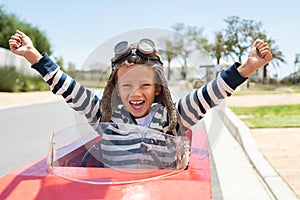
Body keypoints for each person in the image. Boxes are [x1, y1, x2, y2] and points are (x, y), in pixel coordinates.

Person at [9, 30, 272, 168]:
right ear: (115, 88)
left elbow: (211, 93)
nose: (136, 93)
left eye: (145, 84)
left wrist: (246, 68)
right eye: (127, 85)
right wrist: (34, 56)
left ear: (158, 88)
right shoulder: (106, 116)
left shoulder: (173, 118)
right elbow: (69, 89)